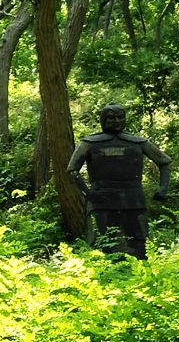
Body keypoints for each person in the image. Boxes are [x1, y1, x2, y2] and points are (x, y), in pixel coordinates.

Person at [67, 103, 171, 260]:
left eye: (120, 117)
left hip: (134, 200)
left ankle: (139, 270)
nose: (116, 121)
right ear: (103, 120)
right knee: (102, 242)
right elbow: (72, 169)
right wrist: (88, 193)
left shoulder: (138, 142)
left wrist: (163, 188)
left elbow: (164, 162)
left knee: (139, 242)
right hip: (102, 201)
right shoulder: (89, 143)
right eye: (111, 118)